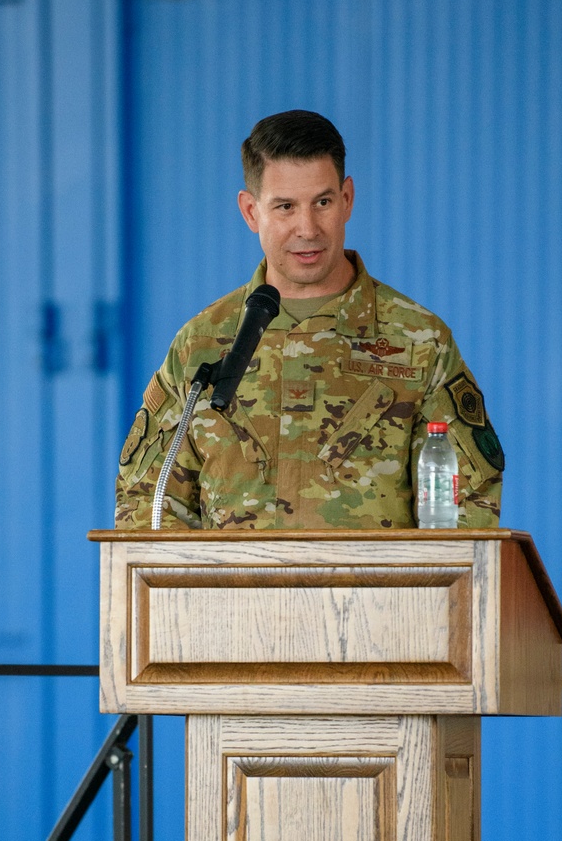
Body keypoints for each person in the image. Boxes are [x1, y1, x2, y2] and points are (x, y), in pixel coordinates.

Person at [115, 110, 504, 529]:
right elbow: (148, 506)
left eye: (323, 202)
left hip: (380, 596)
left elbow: (467, 509)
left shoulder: (419, 340)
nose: (308, 228)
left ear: (347, 199)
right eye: (285, 207)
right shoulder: (202, 344)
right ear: (250, 212)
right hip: (231, 596)